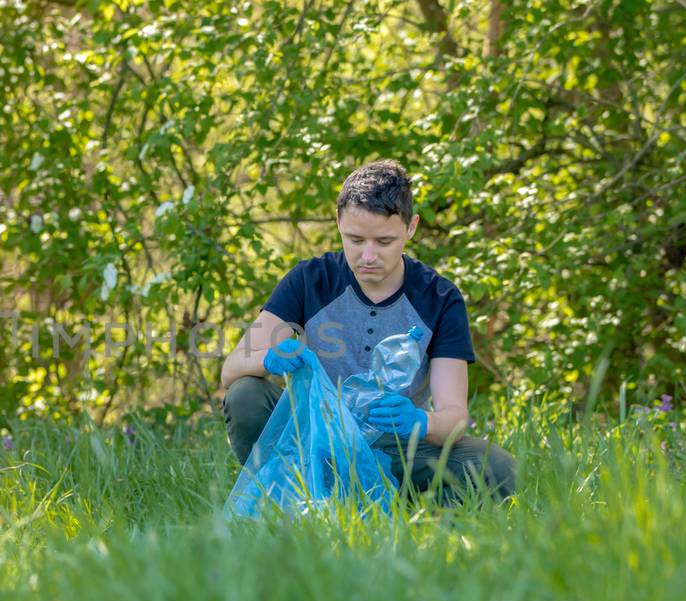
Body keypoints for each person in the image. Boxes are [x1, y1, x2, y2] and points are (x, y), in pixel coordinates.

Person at [219, 160, 516, 501]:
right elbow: (231, 370)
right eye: (355, 239)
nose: (368, 255)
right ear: (338, 223)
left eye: (384, 241)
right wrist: (269, 359)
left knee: (498, 467)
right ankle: (286, 497)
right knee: (245, 395)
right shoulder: (310, 280)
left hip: (393, 446)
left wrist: (421, 422)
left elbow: (455, 418)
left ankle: (407, 514)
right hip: (313, 436)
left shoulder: (440, 298)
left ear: (411, 227)